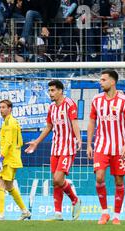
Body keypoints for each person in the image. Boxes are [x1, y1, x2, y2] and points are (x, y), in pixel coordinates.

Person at [25, 80, 82, 221]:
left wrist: (79, 139)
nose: (50, 93)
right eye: (49, 90)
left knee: (58, 178)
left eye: (53, 90)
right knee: (55, 181)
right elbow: (49, 127)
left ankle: (75, 199)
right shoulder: (51, 107)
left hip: (68, 147)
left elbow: (74, 123)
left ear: (61, 91)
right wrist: (37, 142)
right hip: (55, 148)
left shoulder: (69, 104)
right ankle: (58, 213)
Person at [87, 69, 125, 225]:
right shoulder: (96, 100)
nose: (100, 82)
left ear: (112, 82)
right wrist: (89, 144)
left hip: (119, 147)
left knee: (119, 181)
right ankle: (104, 213)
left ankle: (117, 215)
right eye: (100, 80)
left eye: (103, 80)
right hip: (101, 146)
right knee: (99, 177)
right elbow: (91, 122)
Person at [0, 100, 31, 221]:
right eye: (0, 107)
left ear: (10, 109)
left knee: (0, 183)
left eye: (4, 107)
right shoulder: (11, 122)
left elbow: (9, 142)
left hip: (8, 159)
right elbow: (19, 142)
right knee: (9, 186)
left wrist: (1, 158)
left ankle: (1, 215)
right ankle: (25, 211)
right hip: (13, 158)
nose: (1, 110)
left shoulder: (10, 122)